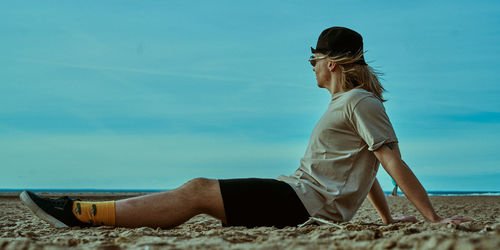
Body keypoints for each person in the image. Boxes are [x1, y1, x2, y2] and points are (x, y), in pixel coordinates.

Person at [20, 26, 472, 229]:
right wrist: (390, 219)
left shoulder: (358, 100)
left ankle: (82, 213)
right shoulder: (349, 103)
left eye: (313, 61)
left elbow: (389, 160)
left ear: (330, 63)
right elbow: (367, 166)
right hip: (299, 199)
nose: (310, 68)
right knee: (199, 192)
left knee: (198, 190)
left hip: (301, 202)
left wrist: (434, 218)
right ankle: (87, 212)